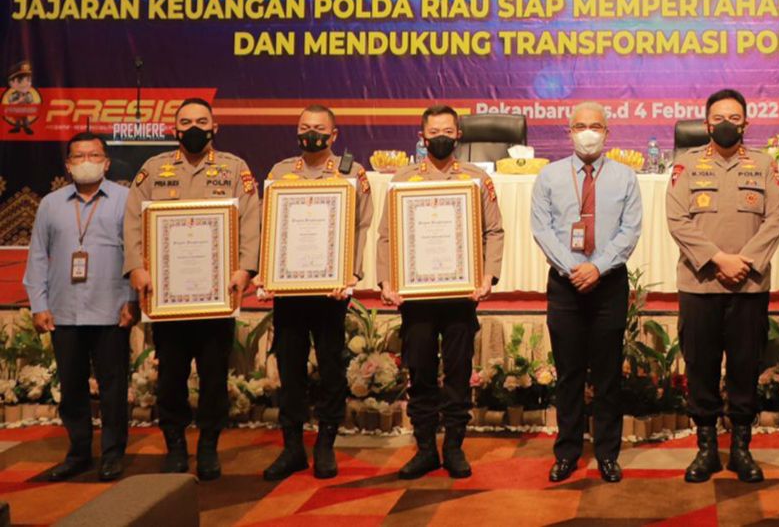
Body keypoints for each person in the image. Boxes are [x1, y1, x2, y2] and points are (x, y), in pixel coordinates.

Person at [123, 97, 261, 481]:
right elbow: (132, 221)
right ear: (175, 129)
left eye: (202, 121)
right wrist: (136, 267)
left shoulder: (235, 168)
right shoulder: (153, 169)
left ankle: (209, 446)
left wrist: (245, 269)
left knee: (214, 377)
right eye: (186, 122)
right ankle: (175, 445)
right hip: (168, 299)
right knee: (171, 377)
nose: (194, 128)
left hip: (218, 296)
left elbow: (251, 220)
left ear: (215, 127)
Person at [665, 89, 779, 484]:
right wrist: (718, 260)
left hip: (748, 286)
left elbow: (776, 219)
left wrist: (743, 262)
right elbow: (677, 220)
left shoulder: (765, 165)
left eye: (734, 118)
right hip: (700, 284)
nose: (726, 124)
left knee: (744, 367)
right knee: (700, 367)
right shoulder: (686, 165)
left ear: (746, 123)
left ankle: (741, 449)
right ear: (706, 124)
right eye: (718, 118)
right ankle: (706, 449)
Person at [377, 105, 504, 480]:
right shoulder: (403, 179)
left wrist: (488, 275)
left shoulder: (476, 179)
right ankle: (425, 449)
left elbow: (493, 231)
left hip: (460, 294)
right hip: (416, 297)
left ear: (459, 134)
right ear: (422, 137)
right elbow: (387, 236)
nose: (441, 138)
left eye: (448, 131)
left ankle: (454, 447)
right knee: (420, 371)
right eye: (434, 132)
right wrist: (386, 281)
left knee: (459, 371)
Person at [259, 105, 374, 481]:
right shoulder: (280, 172)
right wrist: (267, 272)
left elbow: (361, 226)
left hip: (331, 291)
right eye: (305, 127)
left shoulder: (351, 173)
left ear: (334, 135)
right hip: (289, 291)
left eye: (319, 128)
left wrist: (351, 273)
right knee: (289, 368)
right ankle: (292, 446)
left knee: (330, 368)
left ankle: (325, 444)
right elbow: (268, 226)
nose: (312, 134)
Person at [531, 102, 643, 484]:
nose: (588, 132)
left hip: (608, 283)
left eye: (595, 125)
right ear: (569, 132)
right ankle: (567, 452)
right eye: (580, 126)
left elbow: (630, 230)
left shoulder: (625, 177)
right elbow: (542, 229)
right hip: (565, 285)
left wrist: (597, 267)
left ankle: (608, 454)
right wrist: (573, 268)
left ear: (607, 132)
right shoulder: (549, 176)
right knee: (569, 374)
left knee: (608, 374)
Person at [24, 132, 134, 482]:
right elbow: (37, 256)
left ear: (106, 162)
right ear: (68, 164)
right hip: (64, 310)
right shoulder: (50, 204)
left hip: (111, 309)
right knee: (72, 387)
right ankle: (79, 452)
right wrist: (39, 304)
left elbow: (137, 254)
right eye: (79, 156)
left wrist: (132, 300)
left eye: (94, 155)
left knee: (113, 387)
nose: (87, 161)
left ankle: (113, 455)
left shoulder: (126, 200)